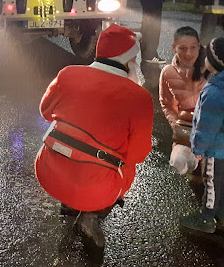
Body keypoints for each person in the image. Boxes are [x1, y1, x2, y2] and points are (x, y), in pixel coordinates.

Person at [35, 24, 154, 249]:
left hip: (47, 173)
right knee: (127, 165)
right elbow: (139, 153)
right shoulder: (139, 97)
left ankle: (68, 204)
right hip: (95, 190)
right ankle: (90, 217)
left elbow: (45, 112)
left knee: (70, 137)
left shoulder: (68, 73)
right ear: (129, 60)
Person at [180, 37, 224, 233]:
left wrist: (198, 148)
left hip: (215, 145)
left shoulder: (215, 91)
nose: (203, 59)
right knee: (222, 178)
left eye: (206, 56)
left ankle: (207, 218)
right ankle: (222, 214)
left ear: (216, 63)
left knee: (210, 180)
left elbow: (208, 125)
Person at [159, 27, 209, 176]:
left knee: (211, 177)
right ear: (174, 48)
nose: (189, 53)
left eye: (193, 48)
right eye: (183, 48)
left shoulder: (211, 70)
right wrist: (176, 125)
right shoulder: (168, 72)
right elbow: (167, 104)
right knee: (180, 163)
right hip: (186, 130)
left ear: (199, 46)